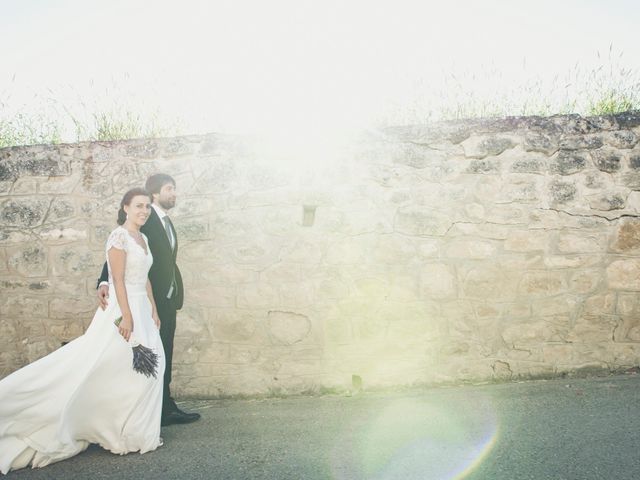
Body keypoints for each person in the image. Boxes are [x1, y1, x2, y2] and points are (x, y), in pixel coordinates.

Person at [0, 188, 165, 473]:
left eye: (147, 207)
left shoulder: (145, 238)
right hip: (123, 309)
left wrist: (153, 308)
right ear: (125, 207)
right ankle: (108, 426)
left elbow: (145, 277)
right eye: (139, 206)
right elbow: (117, 279)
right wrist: (126, 317)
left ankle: (133, 430)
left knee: (149, 369)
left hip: (142, 308)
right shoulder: (119, 236)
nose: (144, 211)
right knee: (105, 364)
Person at [97, 173, 200, 426]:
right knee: (148, 355)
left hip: (161, 300)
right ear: (155, 193)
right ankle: (161, 409)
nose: (174, 193)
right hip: (138, 301)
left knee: (162, 354)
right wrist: (103, 281)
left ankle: (161, 405)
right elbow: (119, 253)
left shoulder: (165, 222)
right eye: (169, 188)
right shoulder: (145, 219)